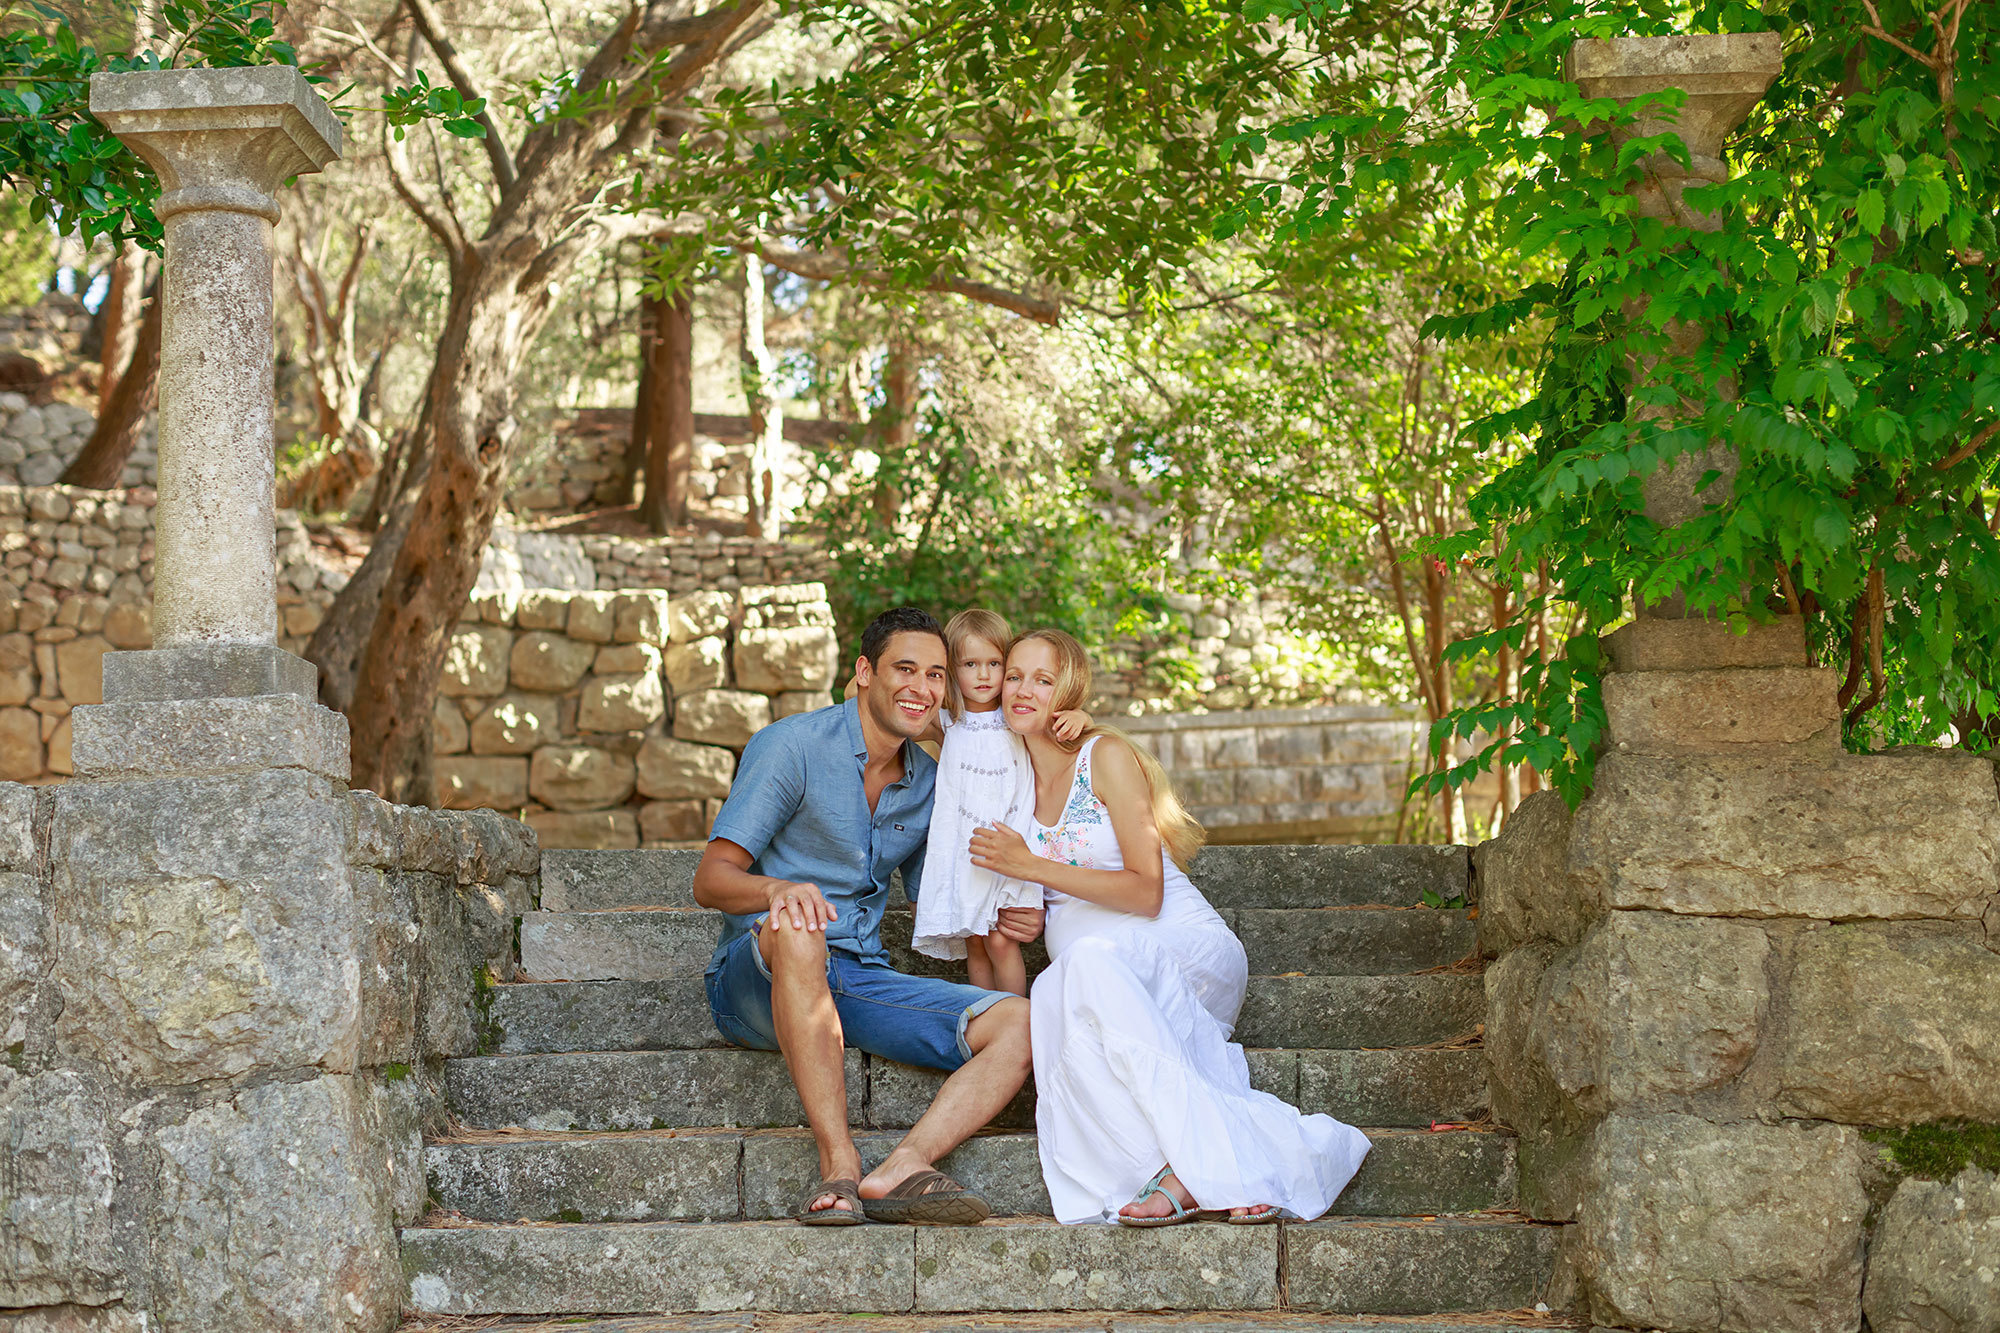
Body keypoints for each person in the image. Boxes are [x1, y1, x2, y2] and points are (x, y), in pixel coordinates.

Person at [969, 628, 1371, 1226]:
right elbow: (897, 708)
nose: (1023, 690)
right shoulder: (1004, 775)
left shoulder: (1102, 756)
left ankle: (1201, 1173)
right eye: (1015, 675)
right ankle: (1194, 1172)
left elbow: (1146, 891)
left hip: (1181, 953)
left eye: (1044, 679)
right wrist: (1038, 911)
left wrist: (1032, 866)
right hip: (1100, 976)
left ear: (1069, 691)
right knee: (1055, 996)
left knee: (1080, 970)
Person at [693, 606, 1043, 1226]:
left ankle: (904, 1167)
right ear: (863, 672)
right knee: (800, 930)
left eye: (936, 675)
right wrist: (782, 890)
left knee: (1021, 1023)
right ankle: (840, 1165)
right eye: (904, 669)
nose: (921, 688)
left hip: (855, 979)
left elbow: (955, 885)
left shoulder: (931, 780)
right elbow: (711, 880)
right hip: (758, 974)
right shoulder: (791, 746)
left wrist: (1016, 908)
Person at [909, 608, 1089, 994]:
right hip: (966, 850)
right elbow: (868, 701)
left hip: (1010, 845)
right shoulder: (947, 722)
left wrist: (1081, 714)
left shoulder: (1015, 718)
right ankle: (989, 1014)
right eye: (970, 664)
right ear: (952, 670)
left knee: (1001, 940)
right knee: (975, 941)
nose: (984, 675)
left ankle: (1016, 1015)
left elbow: (1065, 721)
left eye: (994, 663)